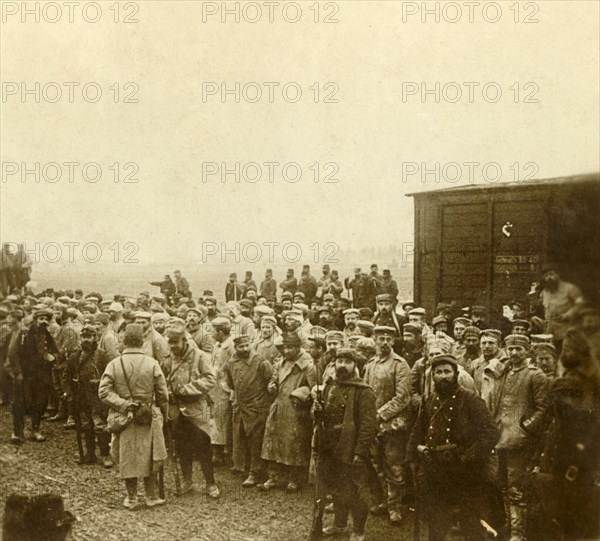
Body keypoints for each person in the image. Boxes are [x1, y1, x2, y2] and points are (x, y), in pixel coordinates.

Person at [406, 353, 500, 541]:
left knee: (471, 525)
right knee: (437, 524)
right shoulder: (429, 400)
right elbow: (418, 431)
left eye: (447, 372)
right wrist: (412, 456)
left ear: (456, 374)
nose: (443, 376)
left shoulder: (471, 399)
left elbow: (491, 432)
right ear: (432, 376)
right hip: (437, 472)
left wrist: (467, 456)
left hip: (466, 474)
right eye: (438, 372)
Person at [533, 328, 600, 541]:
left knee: (569, 521)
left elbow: (565, 427)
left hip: (570, 462)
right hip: (583, 461)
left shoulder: (566, 385)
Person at [98, 323, 169, 509]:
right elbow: (163, 394)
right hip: (149, 416)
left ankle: (132, 498)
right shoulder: (152, 363)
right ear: (142, 341)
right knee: (150, 454)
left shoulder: (114, 364)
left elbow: (104, 392)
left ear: (124, 340)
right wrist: (165, 415)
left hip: (125, 417)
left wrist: (123, 404)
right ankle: (151, 496)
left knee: (128, 455)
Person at [487, 334, 549, 541]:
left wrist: (525, 429)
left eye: (519, 349)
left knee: (517, 488)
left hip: (520, 441)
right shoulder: (504, 371)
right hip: (500, 436)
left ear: (528, 350)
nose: (514, 353)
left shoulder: (535, 375)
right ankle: (507, 526)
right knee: (501, 484)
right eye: (510, 349)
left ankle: (518, 534)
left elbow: (543, 409)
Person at [313, 348, 378, 541]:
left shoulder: (363, 391)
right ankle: (339, 525)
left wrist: (360, 453)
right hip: (330, 445)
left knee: (356, 492)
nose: (342, 365)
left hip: (351, 447)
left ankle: (358, 531)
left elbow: (368, 425)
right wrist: (318, 411)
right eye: (338, 361)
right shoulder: (330, 386)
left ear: (355, 366)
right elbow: (325, 416)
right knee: (336, 488)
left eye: (347, 362)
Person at [162, 319, 219, 497]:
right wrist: (167, 393)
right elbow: (162, 380)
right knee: (181, 448)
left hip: (196, 410)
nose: (172, 346)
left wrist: (186, 389)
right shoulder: (168, 358)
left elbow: (210, 379)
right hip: (176, 411)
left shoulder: (200, 356)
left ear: (184, 340)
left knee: (203, 448)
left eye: (175, 342)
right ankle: (187, 481)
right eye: (169, 342)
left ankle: (211, 483)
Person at [363, 325, 412, 525]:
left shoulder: (400, 365)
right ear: (374, 340)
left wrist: (380, 415)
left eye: (388, 339)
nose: (384, 342)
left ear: (393, 341)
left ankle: (395, 507)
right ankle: (385, 499)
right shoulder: (370, 364)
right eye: (380, 338)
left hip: (393, 425)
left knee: (394, 465)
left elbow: (403, 398)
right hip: (373, 424)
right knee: (376, 462)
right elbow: (365, 393)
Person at [261, 332, 317, 491]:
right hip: (279, 406)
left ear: (299, 347)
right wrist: (271, 385)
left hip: (296, 410)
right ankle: (274, 476)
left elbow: (314, 389)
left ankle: (294, 478)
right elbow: (274, 378)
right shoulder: (280, 363)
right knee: (273, 442)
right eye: (285, 347)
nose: (286, 351)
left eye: (290, 347)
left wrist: (302, 396)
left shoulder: (308, 366)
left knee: (294, 444)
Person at [226, 334, 273, 487]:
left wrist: (261, 400)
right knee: (241, 438)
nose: (245, 349)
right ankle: (243, 467)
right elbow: (231, 383)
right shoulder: (231, 362)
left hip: (257, 407)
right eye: (241, 347)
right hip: (241, 406)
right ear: (236, 348)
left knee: (256, 440)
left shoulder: (260, 361)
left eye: (247, 345)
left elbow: (271, 380)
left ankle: (256, 472)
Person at [9, 308, 59, 442]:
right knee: (20, 403)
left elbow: (56, 351)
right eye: (41, 319)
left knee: (40, 402)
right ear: (35, 320)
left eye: (46, 319)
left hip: (41, 376)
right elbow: (13, 354)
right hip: (25, 376)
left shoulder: (47, 335)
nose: (44, 321)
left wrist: (53, 357)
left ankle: (36, 430)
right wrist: (18, 372)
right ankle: (17, 432)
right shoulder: (23, 334)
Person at [65, 324, 112, 467]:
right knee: (86, 426)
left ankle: (105, 455)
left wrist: (100, 384)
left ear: (95, 337)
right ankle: (90, 454)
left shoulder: (102, 355)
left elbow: (110, 376)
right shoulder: (75, 356)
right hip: (81, 397)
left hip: (98, 398)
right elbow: (67, 376)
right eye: (84, 337)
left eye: (90, 337)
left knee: (100, 426)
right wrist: (69, 393)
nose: (86, 340)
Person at [208, 316, 235, 465]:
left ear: (220, 331)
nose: (212, 333)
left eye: (214, 330)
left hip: (225, 387)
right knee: (216, 419)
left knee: (224, 420)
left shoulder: (230, 346)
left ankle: (224, 451)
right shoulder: (217, 345)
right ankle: (217, 450)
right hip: (215, 386)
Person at [539, 263, 584, 348]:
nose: (549, 277)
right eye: (546, 276)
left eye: (551, 274)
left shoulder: (570, 288)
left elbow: (581, 305)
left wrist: (568, 314)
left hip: (567, 332)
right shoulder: (545, 292)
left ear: (557, 274)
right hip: (550, 333)